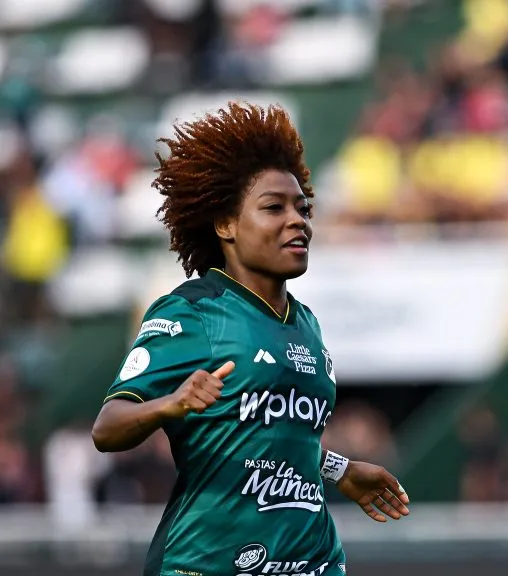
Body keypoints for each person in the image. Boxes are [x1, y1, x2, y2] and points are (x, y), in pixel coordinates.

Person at [91, 102, 410, 576]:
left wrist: (340, 470)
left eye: (303, 209)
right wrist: (169, 404)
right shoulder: (195, 312)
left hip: (311, 563)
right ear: (226, 226)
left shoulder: (308, 325)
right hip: (208, 564)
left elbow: (279, 437)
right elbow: (107, 428)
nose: (298, 220)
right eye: (274, 208)